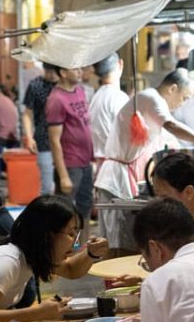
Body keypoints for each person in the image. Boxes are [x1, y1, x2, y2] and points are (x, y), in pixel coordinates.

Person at [95, 69, 194, 253]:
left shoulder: (151, 103)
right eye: (184, 97)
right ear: (173, 88)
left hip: (124, 178)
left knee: (125, 239)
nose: (183, 104)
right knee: (117, 243)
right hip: (116, 180)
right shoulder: (151, 98)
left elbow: (168, 140)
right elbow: (171, 125)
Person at [47, 66, 94, 239]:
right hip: (70, 164)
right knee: (62, 212)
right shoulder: (56, 99)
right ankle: (59, 252)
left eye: (81, 68)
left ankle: (81, 250)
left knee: (85, 208)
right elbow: (54, 140)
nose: (80, 71)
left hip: (85, 162)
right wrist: (63, 175)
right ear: (63, 73)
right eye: (75, 68)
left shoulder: (80, 91)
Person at [22, 63, 59, 195]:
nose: (51, 74)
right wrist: (29, 137)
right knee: (47, 187)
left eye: (54, 71)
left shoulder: (65, 85)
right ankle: (44, 213)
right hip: (43, 139)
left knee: (65, 186)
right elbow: (27, 113)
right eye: (48, 70)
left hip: (66, 141)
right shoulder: (35, 85)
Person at [89, 53, 129, 163]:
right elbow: (128, 136)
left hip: (101, 162)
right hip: (115, 163)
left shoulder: (96, 97)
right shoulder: (119, 97)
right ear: (120, 64)